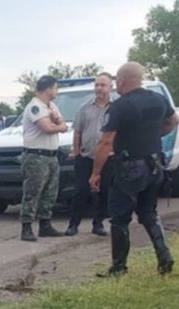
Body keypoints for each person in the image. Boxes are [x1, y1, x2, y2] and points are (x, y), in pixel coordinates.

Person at [90, 62, 179, 277]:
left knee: (119, 218)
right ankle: (164, 257)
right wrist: (153, 137)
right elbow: (174, 121)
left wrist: (95, 173)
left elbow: (105, 142)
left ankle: (119, 267)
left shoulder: (121, 106)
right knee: (149, 213)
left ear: (121, 81)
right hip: (155, 165)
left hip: (130, 168)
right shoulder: (158, 100)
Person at [19, 75, 68, 241]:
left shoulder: (51, 106)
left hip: (51, 155)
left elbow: (64, 125)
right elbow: (47, 127)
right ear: (48, 89)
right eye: (55, 88)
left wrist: (58, 123)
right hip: (36, 156)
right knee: (33, 192)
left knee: (50, 192)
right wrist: (57, 125)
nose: (56, 91)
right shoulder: (35, 107)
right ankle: (26, 226)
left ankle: (45, 224)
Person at [65, 73, 114, 237]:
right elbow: (77, 132)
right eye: (97, 85)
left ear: (110, 87)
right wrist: (77, 153)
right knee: (80, 191)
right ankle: (73, 224)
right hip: (86, 157)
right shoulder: (84, 108)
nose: (99, 88)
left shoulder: (116, 109)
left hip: (108, 157)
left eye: (103, 85)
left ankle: (98, 223)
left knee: (104, 191)